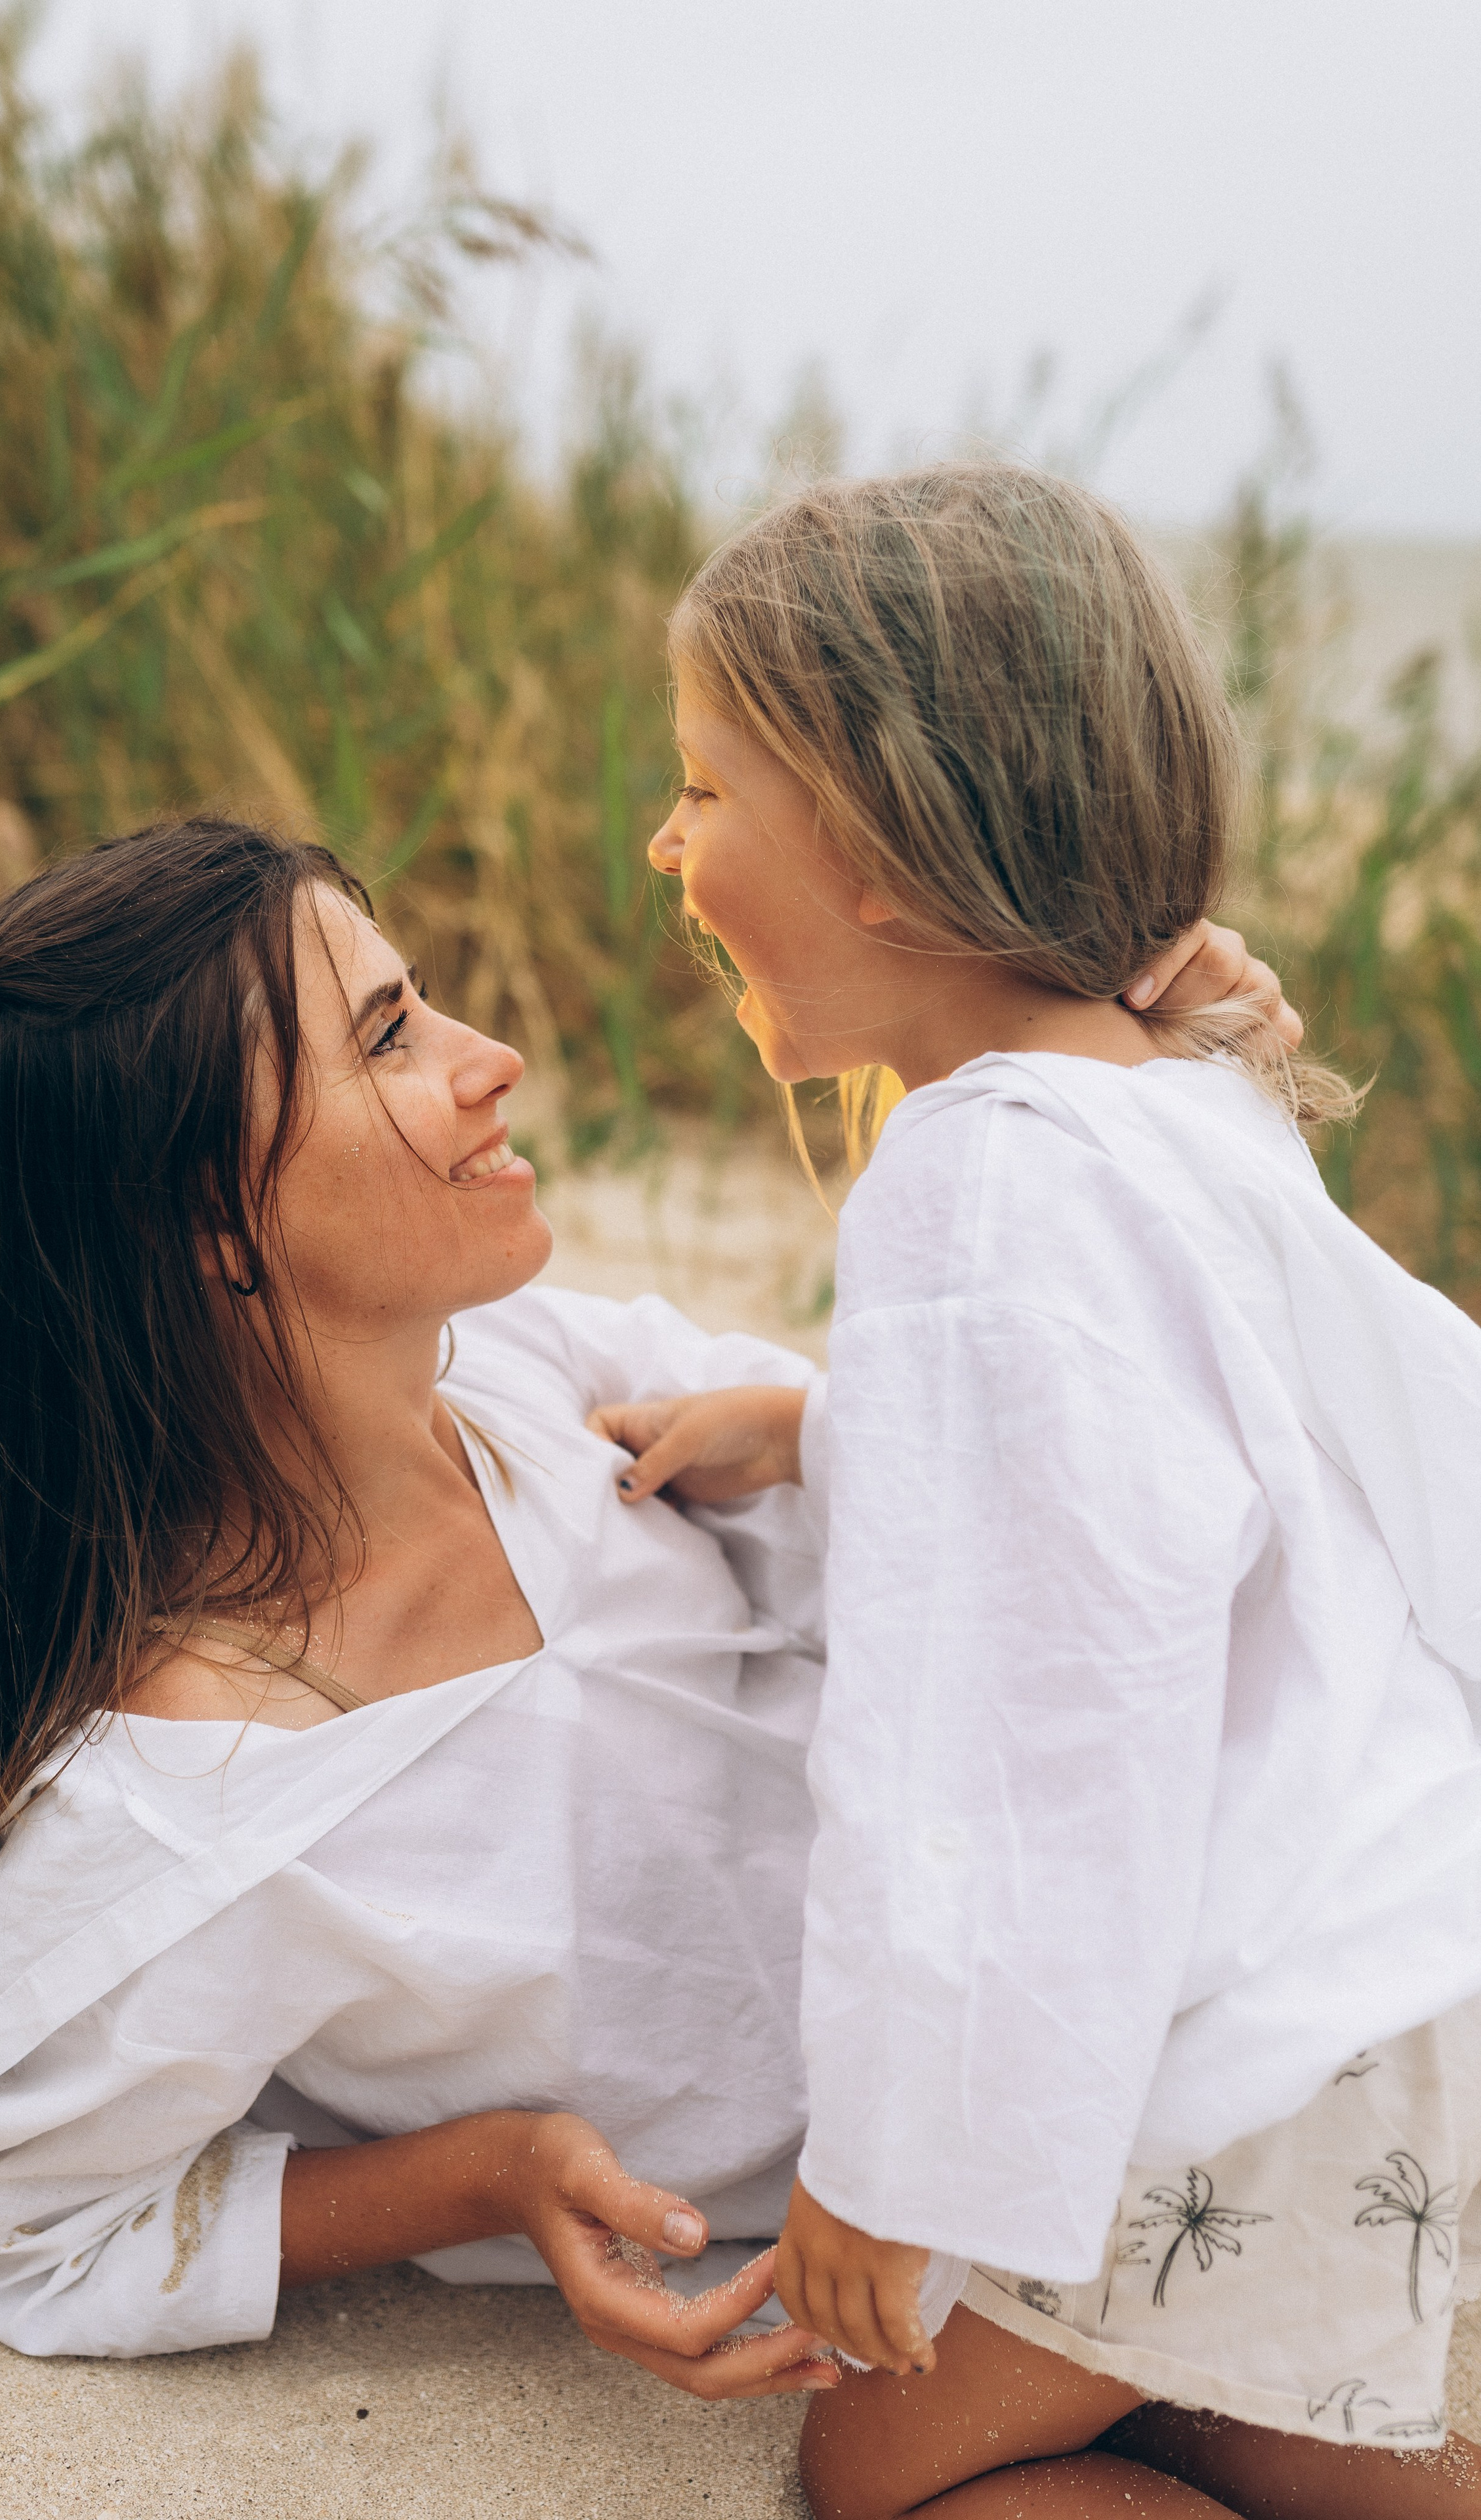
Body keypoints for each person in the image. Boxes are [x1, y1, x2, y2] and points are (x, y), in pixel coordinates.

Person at [0, 811, 1268, 2394]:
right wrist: (489, 2175)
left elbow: (1016, 1484)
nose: (490, 1055)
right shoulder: (187, 1812)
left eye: (420, 1000)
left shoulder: (537, 1378)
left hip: (1134, 2006)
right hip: (939, 2220)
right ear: (206, 1225)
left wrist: (1150, 1102)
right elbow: (39, 2227)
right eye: (389, 1039)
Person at [621, 465, 1481, 2516]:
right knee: (1283, 2404)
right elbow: (1189, 1455)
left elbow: (1011, 1737)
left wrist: (892, 2163)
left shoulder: (972, 1183)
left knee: (881, 2467)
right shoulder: (1155, 1095)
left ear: (890, 863)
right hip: (1391, 1968)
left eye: (707, 792)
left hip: (1249, 2058)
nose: (665, 843)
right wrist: (833, 1427)